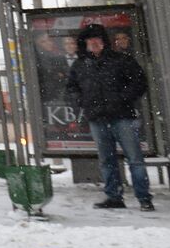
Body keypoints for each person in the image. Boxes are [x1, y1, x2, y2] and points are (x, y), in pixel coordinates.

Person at [64, 22, 154, 211]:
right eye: (91, 41)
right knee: (107, 160)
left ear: (104, 41)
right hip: (98, 118)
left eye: (97, 40)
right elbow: (71, 89)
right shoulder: (80, 65)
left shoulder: (121, 60)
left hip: (122, 117)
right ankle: (114, 197)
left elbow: (139, 82)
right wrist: (83, 102)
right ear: (86, 43)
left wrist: (122, 99)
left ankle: (144, 198)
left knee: (134, 158)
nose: (94, 43)